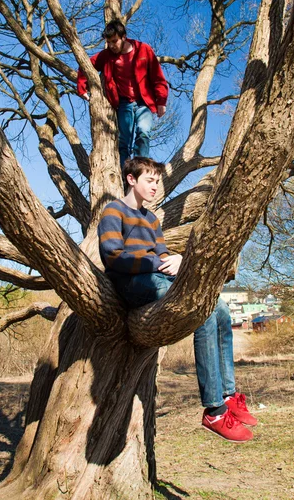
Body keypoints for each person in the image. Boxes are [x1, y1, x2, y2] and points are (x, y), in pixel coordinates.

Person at [98, 157, 258, 442]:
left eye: (158, 181)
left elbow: (161, 255)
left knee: (218, 309)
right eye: (150, 180)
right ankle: (214, 410)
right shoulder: (114, 211)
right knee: (200, 312)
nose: (155, 186)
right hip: (132, 283)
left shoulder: (151, 219)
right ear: (131, 180)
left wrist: (177, 260)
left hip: (157, 278)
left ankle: (228, 394)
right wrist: (155, 263)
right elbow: (112, 257)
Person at [77, 20, 169, 167]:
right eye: (109, 42)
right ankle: (125, 174)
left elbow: (158, 77)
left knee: (143, 133)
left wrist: (161, 101)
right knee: (123, 142)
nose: (112, 46)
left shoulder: (143, 50)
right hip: (124, 103)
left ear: (124, 37)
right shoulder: (107, 55)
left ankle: (140, 170)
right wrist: (82, 88)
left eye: (115, 41)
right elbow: (85, 65)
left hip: (144, 103)